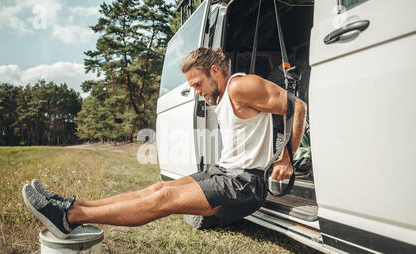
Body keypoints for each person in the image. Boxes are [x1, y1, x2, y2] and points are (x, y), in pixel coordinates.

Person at [22, 47, 307, 239]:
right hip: (225, 172)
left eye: (197, 84)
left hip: (244, 184)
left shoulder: (240, 86)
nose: (195, 92)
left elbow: (298, 107)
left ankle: (67, 216)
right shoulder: (222, 95)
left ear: (216, 71)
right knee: (158, 188)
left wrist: (286, 158)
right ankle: (69, 205)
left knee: (163, 200)